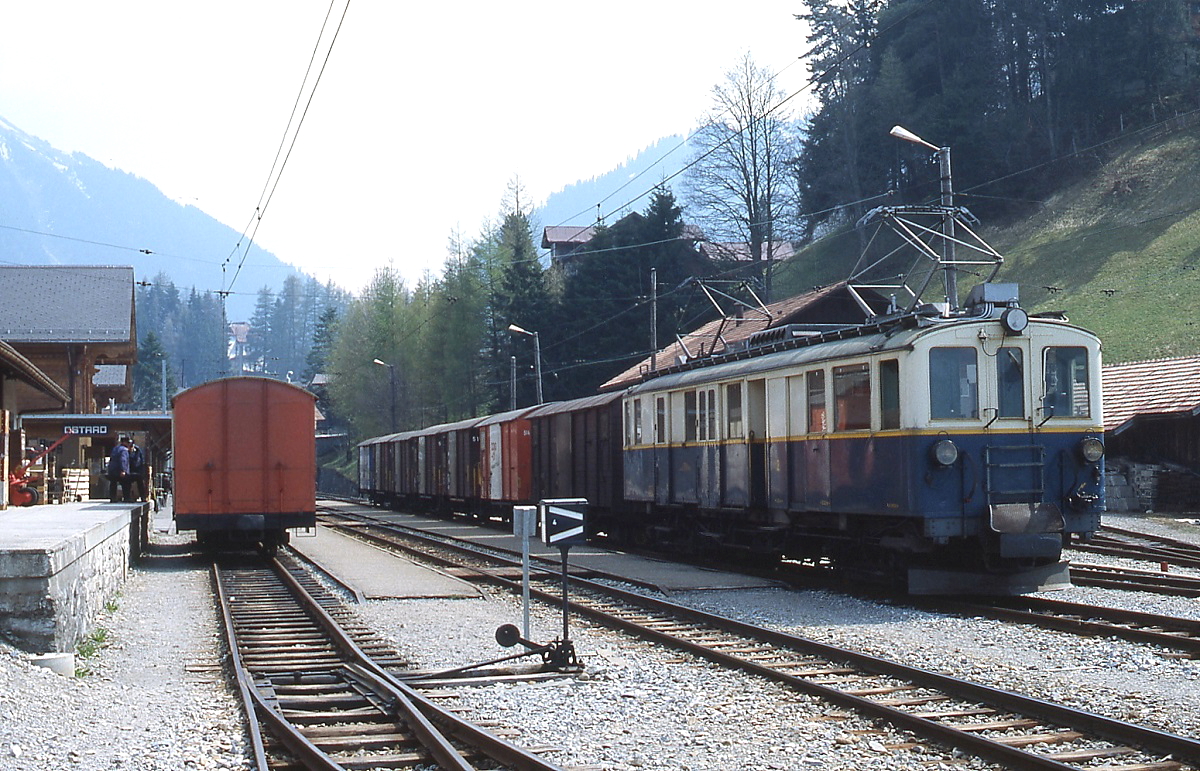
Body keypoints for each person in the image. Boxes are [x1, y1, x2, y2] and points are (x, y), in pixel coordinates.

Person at [107, 436, 132, 502]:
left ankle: (113, 498)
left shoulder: (115, 448)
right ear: (124, 442)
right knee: (126, 483)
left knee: (113, 483)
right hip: (119, 470)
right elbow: (123, 460)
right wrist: (123, 470)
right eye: (128, 442)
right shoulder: (124, 450)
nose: (129, 444)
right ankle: (126, 498)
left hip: (112, 470)